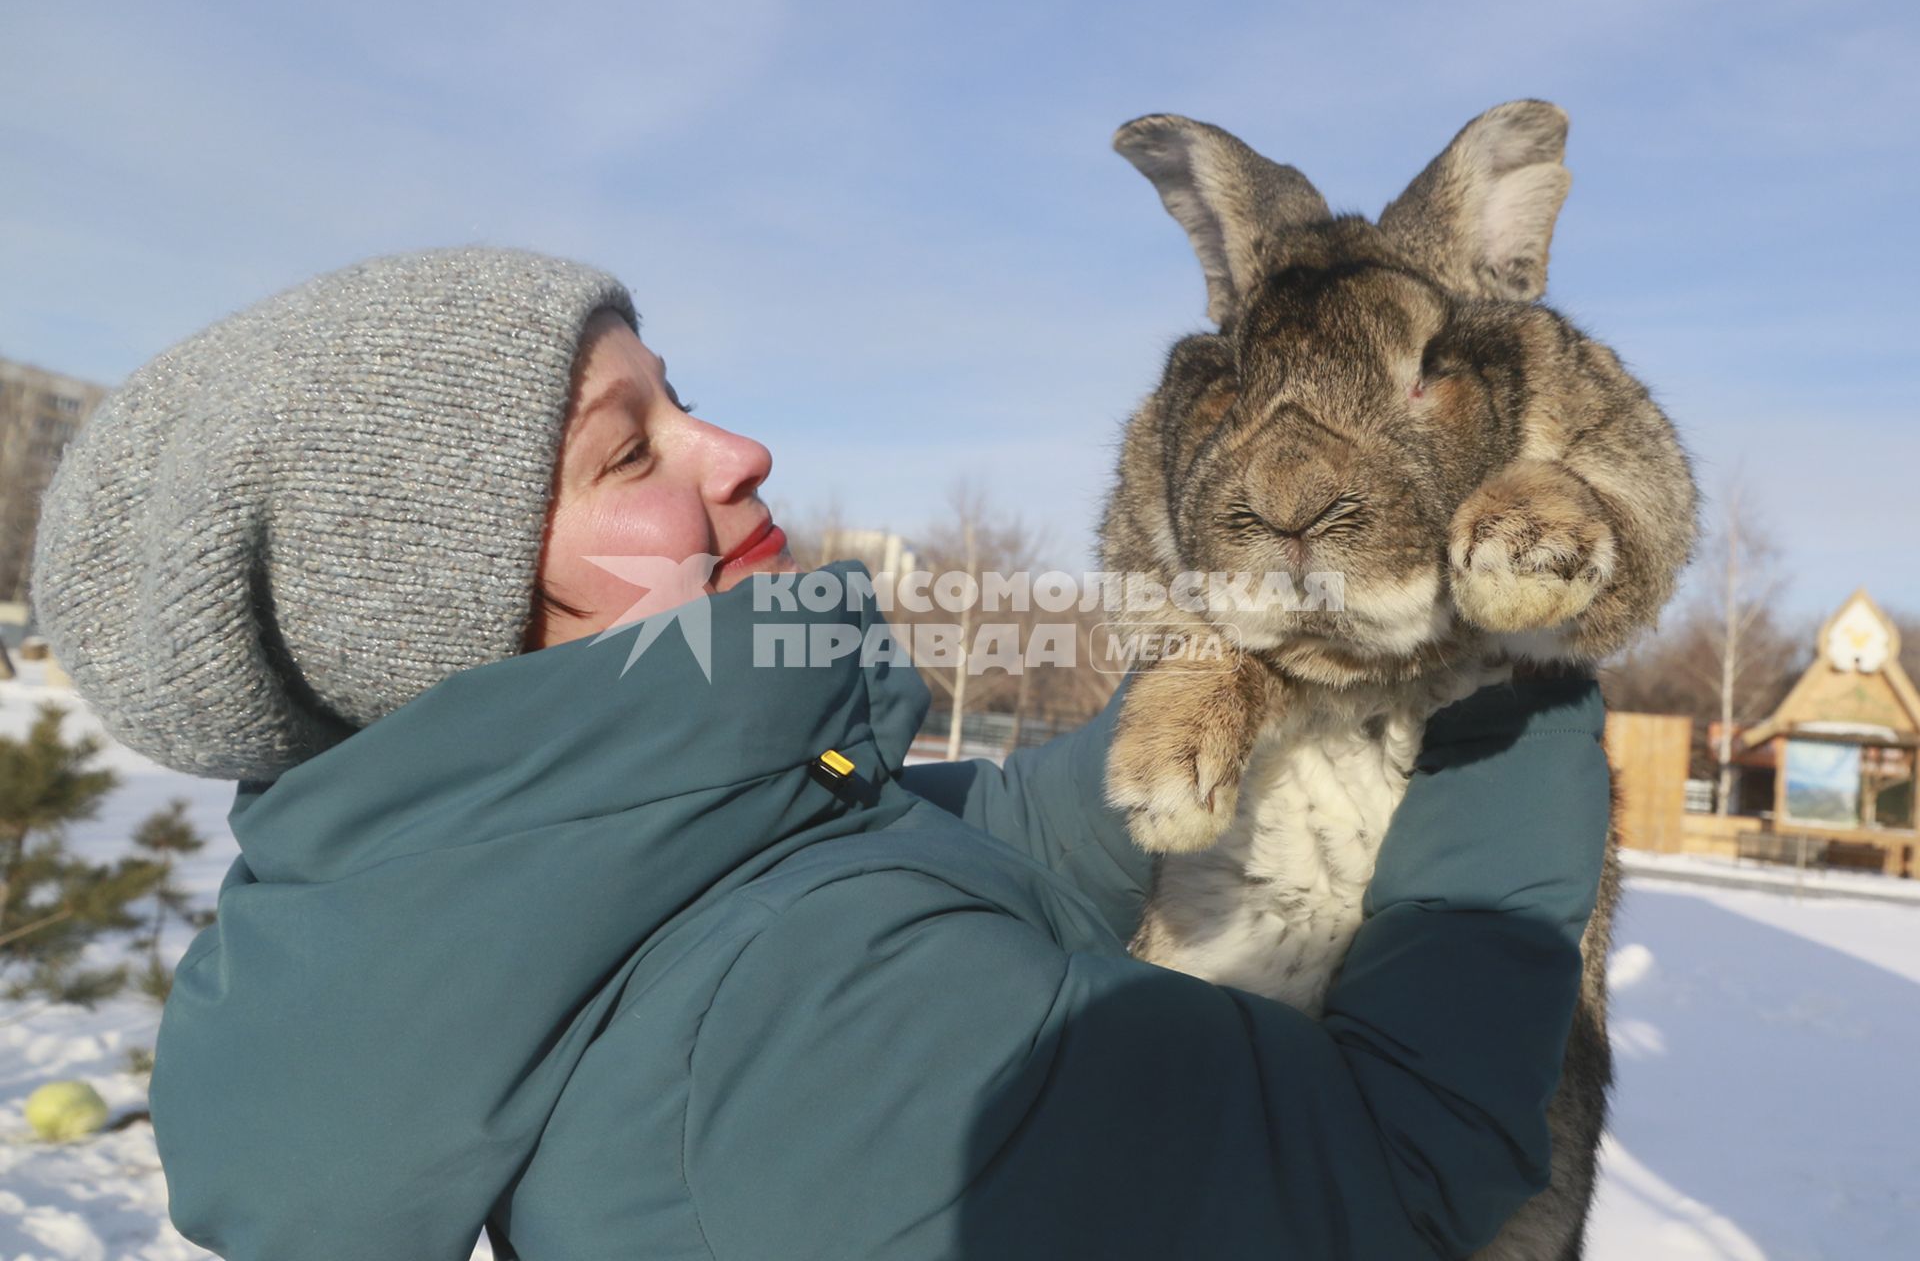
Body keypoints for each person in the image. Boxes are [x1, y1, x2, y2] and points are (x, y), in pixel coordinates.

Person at [29, 247, 1611, 1260]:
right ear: (451, 616)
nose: (738, 452)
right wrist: (1492, 676)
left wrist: (1259, 672)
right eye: (629, 452)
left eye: (685, 399)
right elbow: (1403, 1180)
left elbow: (992, 838)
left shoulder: (655, 871)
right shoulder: (796, 1038)